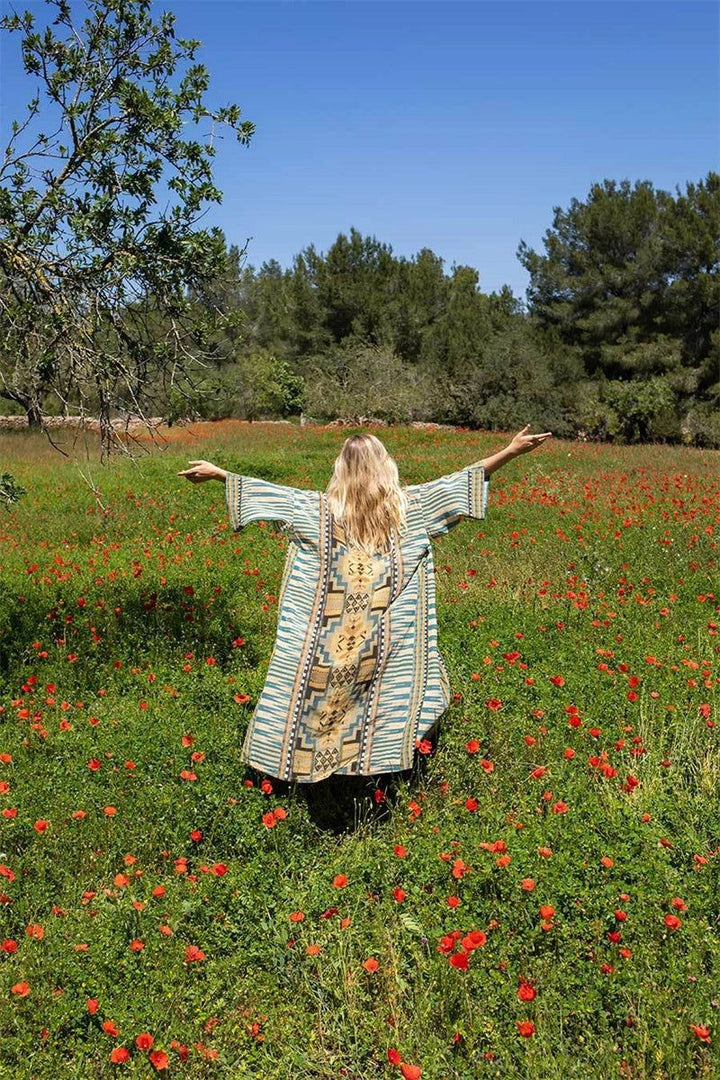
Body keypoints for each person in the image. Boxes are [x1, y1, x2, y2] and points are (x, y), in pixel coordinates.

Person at [178, 424, 551, 787]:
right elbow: (460, 481)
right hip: (381, 639)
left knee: (314, 689)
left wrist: (220, 474)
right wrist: (511, 451)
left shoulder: (316, 509)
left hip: (330, 640)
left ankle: (309, 762)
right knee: (397, 688)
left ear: (341, 469)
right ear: (384, 465)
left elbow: (268, 493)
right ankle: (376, 762)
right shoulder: (411, 508)